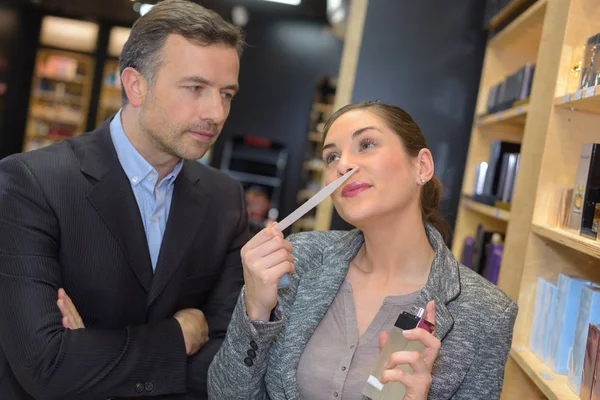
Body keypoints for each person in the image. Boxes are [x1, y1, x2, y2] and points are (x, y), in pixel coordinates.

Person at [0, 1, 248, 398]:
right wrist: (178, 336)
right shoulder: (32, 183)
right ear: (135, 85)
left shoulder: (224, 199)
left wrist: (92, 354)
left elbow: (225, 365)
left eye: (227, 94)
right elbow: (45, 365)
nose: (216, 112)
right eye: (196, 88)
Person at [207, 101, 519, 400]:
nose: (343, 165)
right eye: (331, 157)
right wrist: (256, 312)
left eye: (366, 144)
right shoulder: (295, 260)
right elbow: (224, 393)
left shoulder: (487, 314)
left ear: (421, 166)